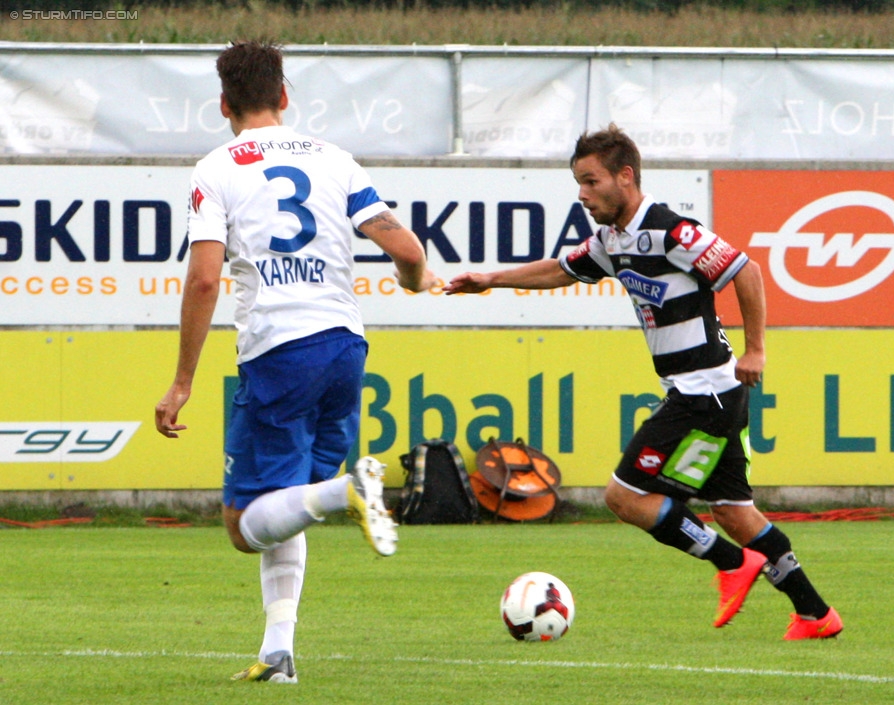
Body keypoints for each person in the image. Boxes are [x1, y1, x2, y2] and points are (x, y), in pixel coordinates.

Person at [444, 124, 842, 640]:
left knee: (624, 498)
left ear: (625, 177)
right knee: (735, 512)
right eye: (578, 184)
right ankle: (815, 614)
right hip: (710, 393)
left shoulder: (672, 231)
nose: (583, 195)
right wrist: (490, 280)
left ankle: (730, 564)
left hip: (707, 393)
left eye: (591, 182)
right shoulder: (614, 240)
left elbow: (746, 272)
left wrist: (757, 348)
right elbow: (563, 269)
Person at [154, 40, 436, 683]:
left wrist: (182, 381)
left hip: (279, 351)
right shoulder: (335, 159)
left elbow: (203, 282)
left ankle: (348, 490)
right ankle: (279, 652)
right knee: (290, 502)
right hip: (344, 346)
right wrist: (415, 278)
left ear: (224, 104)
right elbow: (405, 245)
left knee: (242, 524)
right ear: (284, 97)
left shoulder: (216, 168)